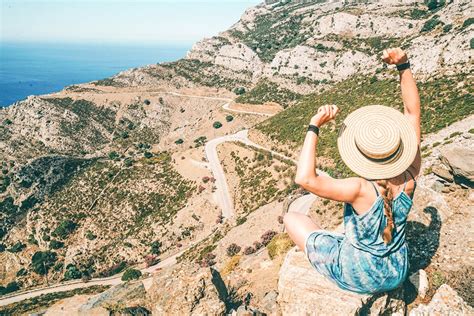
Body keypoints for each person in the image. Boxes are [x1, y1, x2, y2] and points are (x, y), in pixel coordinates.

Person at [284, 47, 421, 294]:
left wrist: (314, 126)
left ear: (361, 155)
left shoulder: (360, 189)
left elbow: (304, 178)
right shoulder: (410, 174)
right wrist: (404, 66)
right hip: (396, 271)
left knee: (292, 219)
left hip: (361, 274)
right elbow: (412, 113)